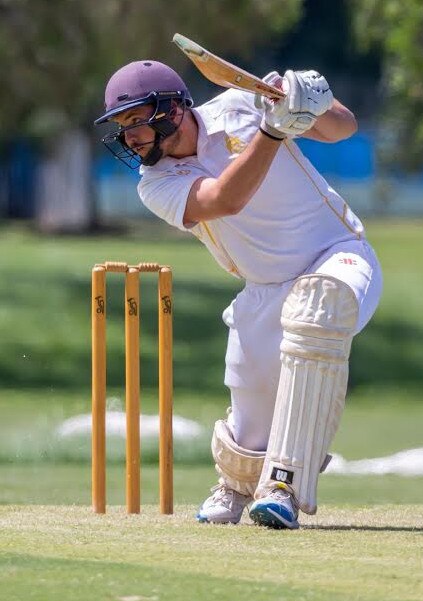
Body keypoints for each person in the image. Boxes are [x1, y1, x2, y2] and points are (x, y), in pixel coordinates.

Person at [95, 59, 382, 529]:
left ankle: (284, 486)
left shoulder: (243, 104)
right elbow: (225, 200)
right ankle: (237, 483)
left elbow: (343, 129)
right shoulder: (157, 184)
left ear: (169, 110)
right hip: (264, 287)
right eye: (122, 128)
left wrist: (308, 100)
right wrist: (272, 132)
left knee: (319, 309)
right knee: (250, 412)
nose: (129, 138)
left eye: (135, 122)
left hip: (339, 255)